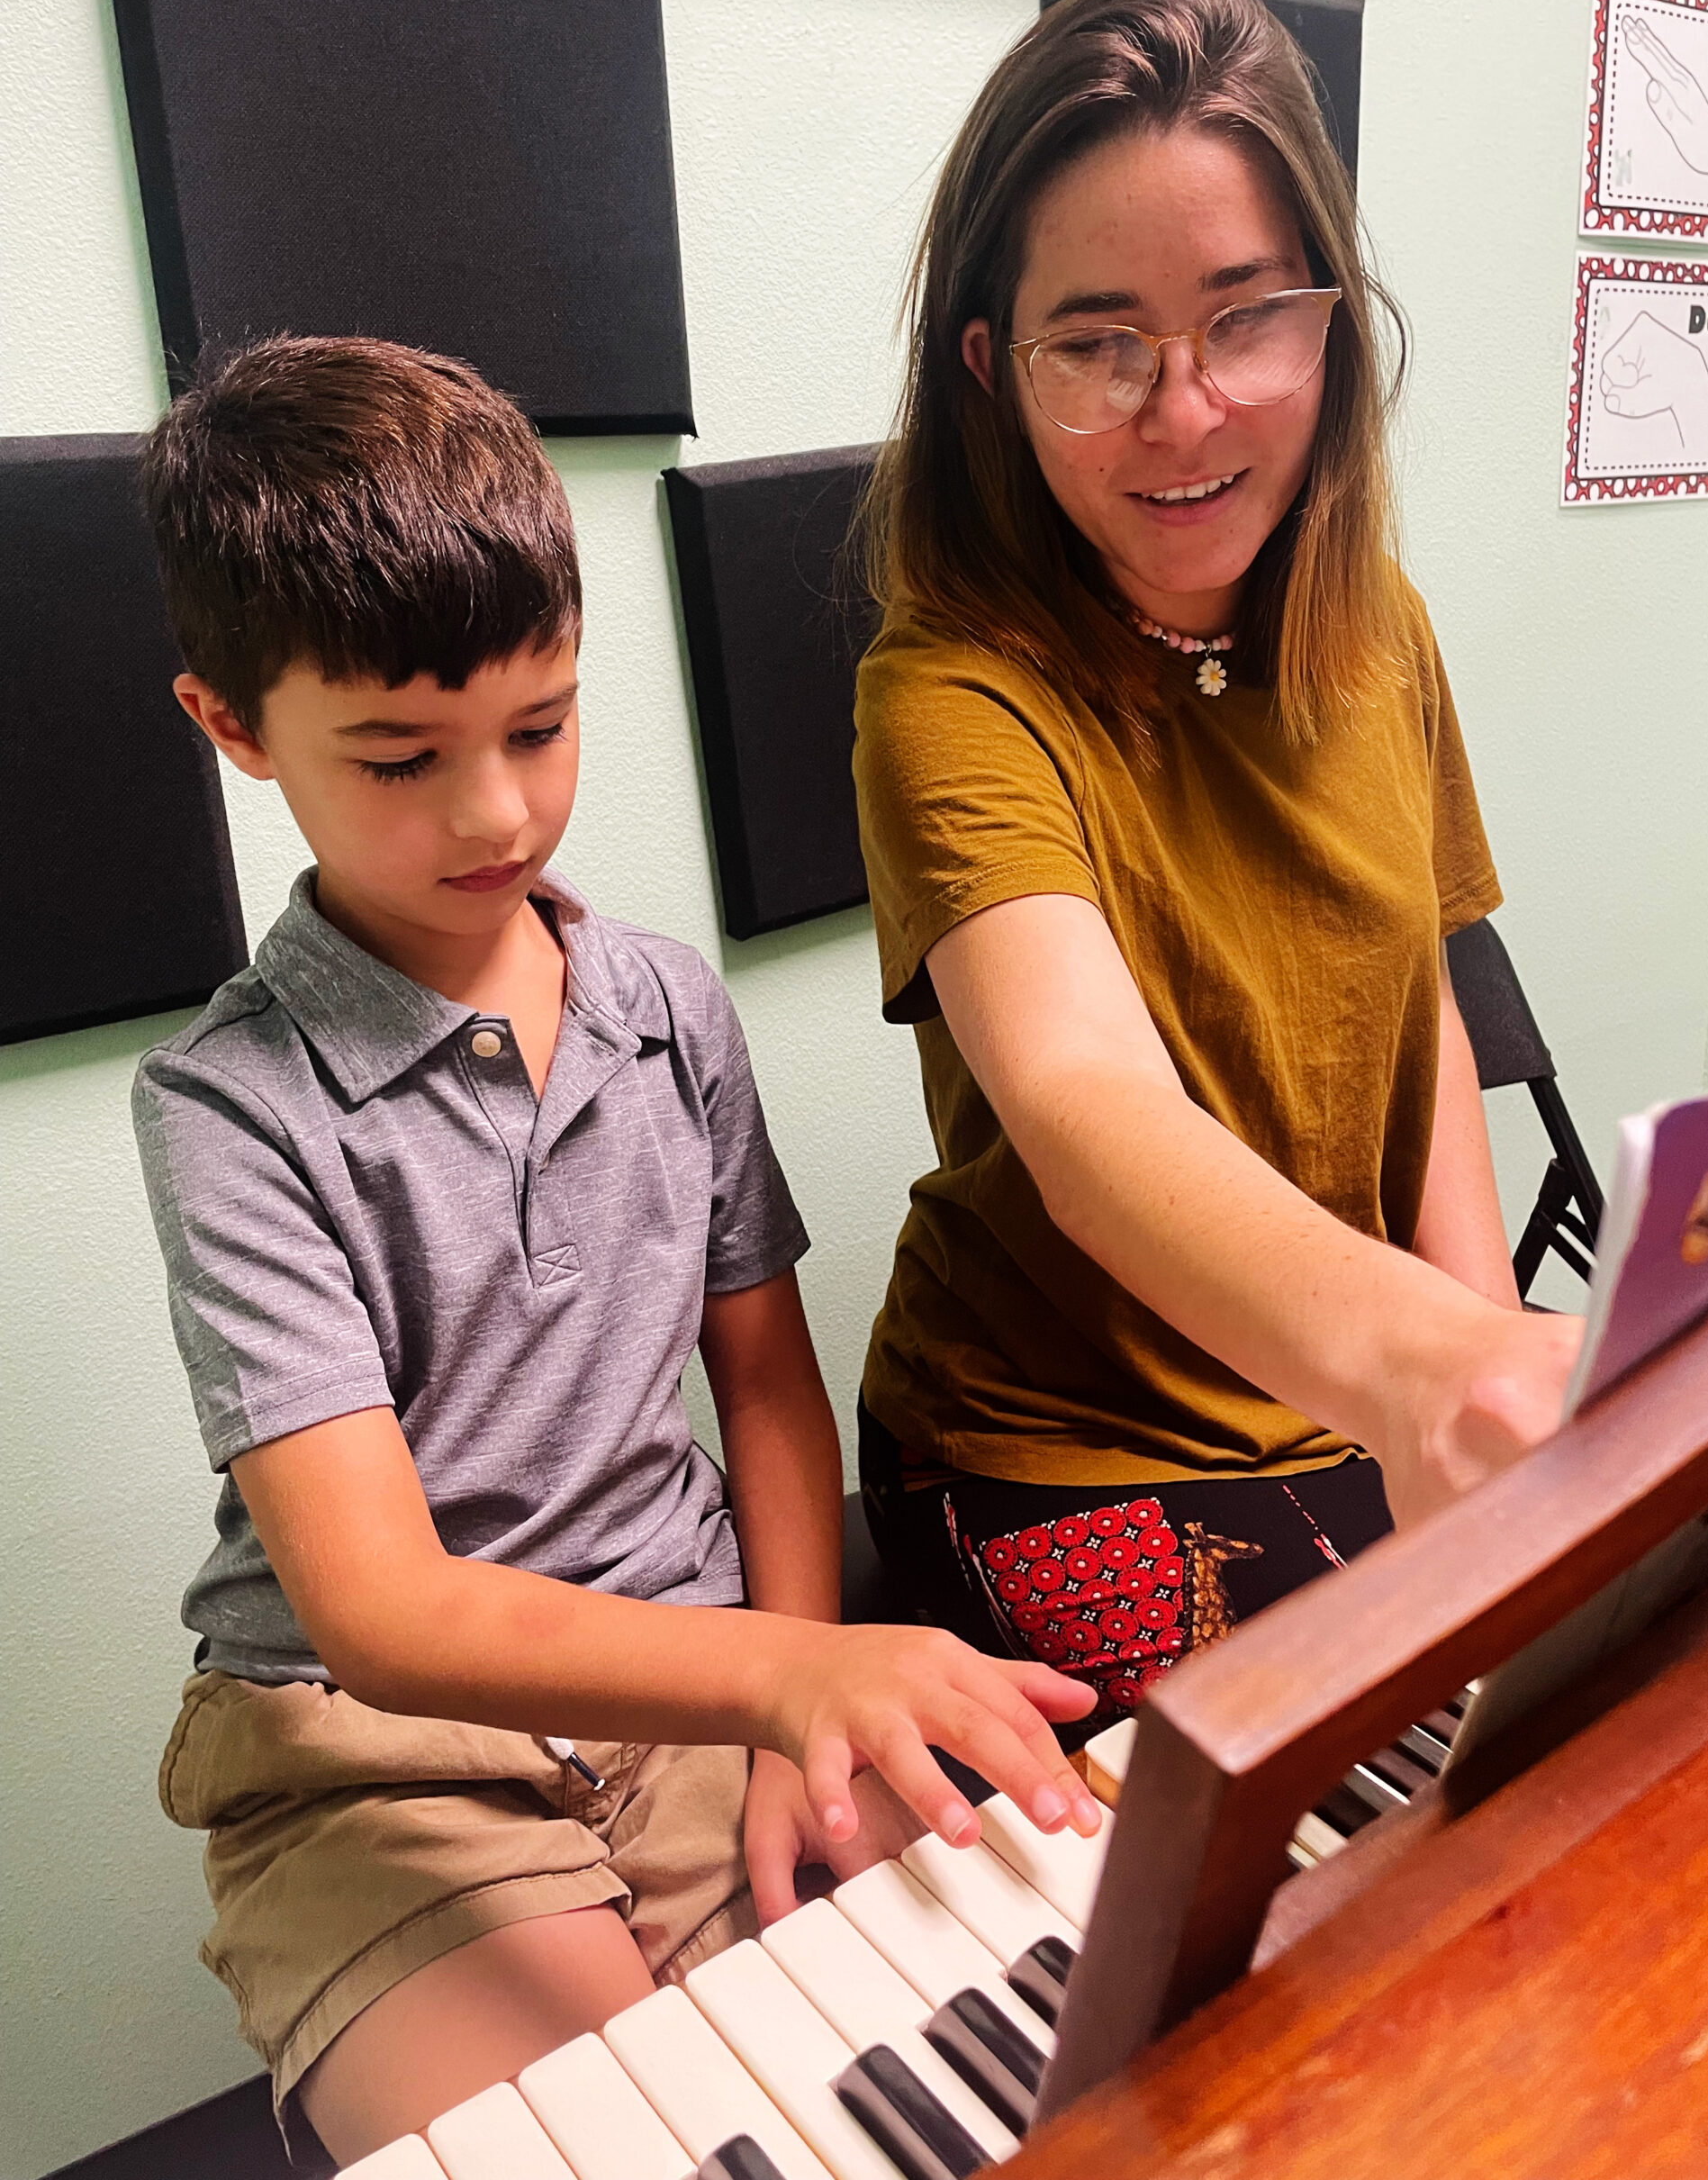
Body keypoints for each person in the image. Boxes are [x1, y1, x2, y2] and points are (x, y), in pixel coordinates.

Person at [131, 336, 1099, 2166]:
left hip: (700, 1677)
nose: (495, 811)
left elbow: (766, 1390)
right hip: (376, 1758)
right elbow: (384, 1613)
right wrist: (783, 1683)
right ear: (233, 725)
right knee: (630, 2137)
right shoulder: (228, 1105)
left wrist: (793, 1691)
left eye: (541, 725)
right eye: (402, 757)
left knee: (1047, 2015)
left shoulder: (664, 1007)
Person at [851, 0, 1584, 1721]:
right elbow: (1090, 1115)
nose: (1182, 414)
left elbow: (1419, 1015)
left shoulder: (1378, 627)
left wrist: (1480, 1348)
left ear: (1330, 321)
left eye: (1246, 319)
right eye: (1100, 345)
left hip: (1344, 1392)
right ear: (994, 372)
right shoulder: (945, 692)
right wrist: (1428, 1373)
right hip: (1058, 1445)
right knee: (1371, 1779)